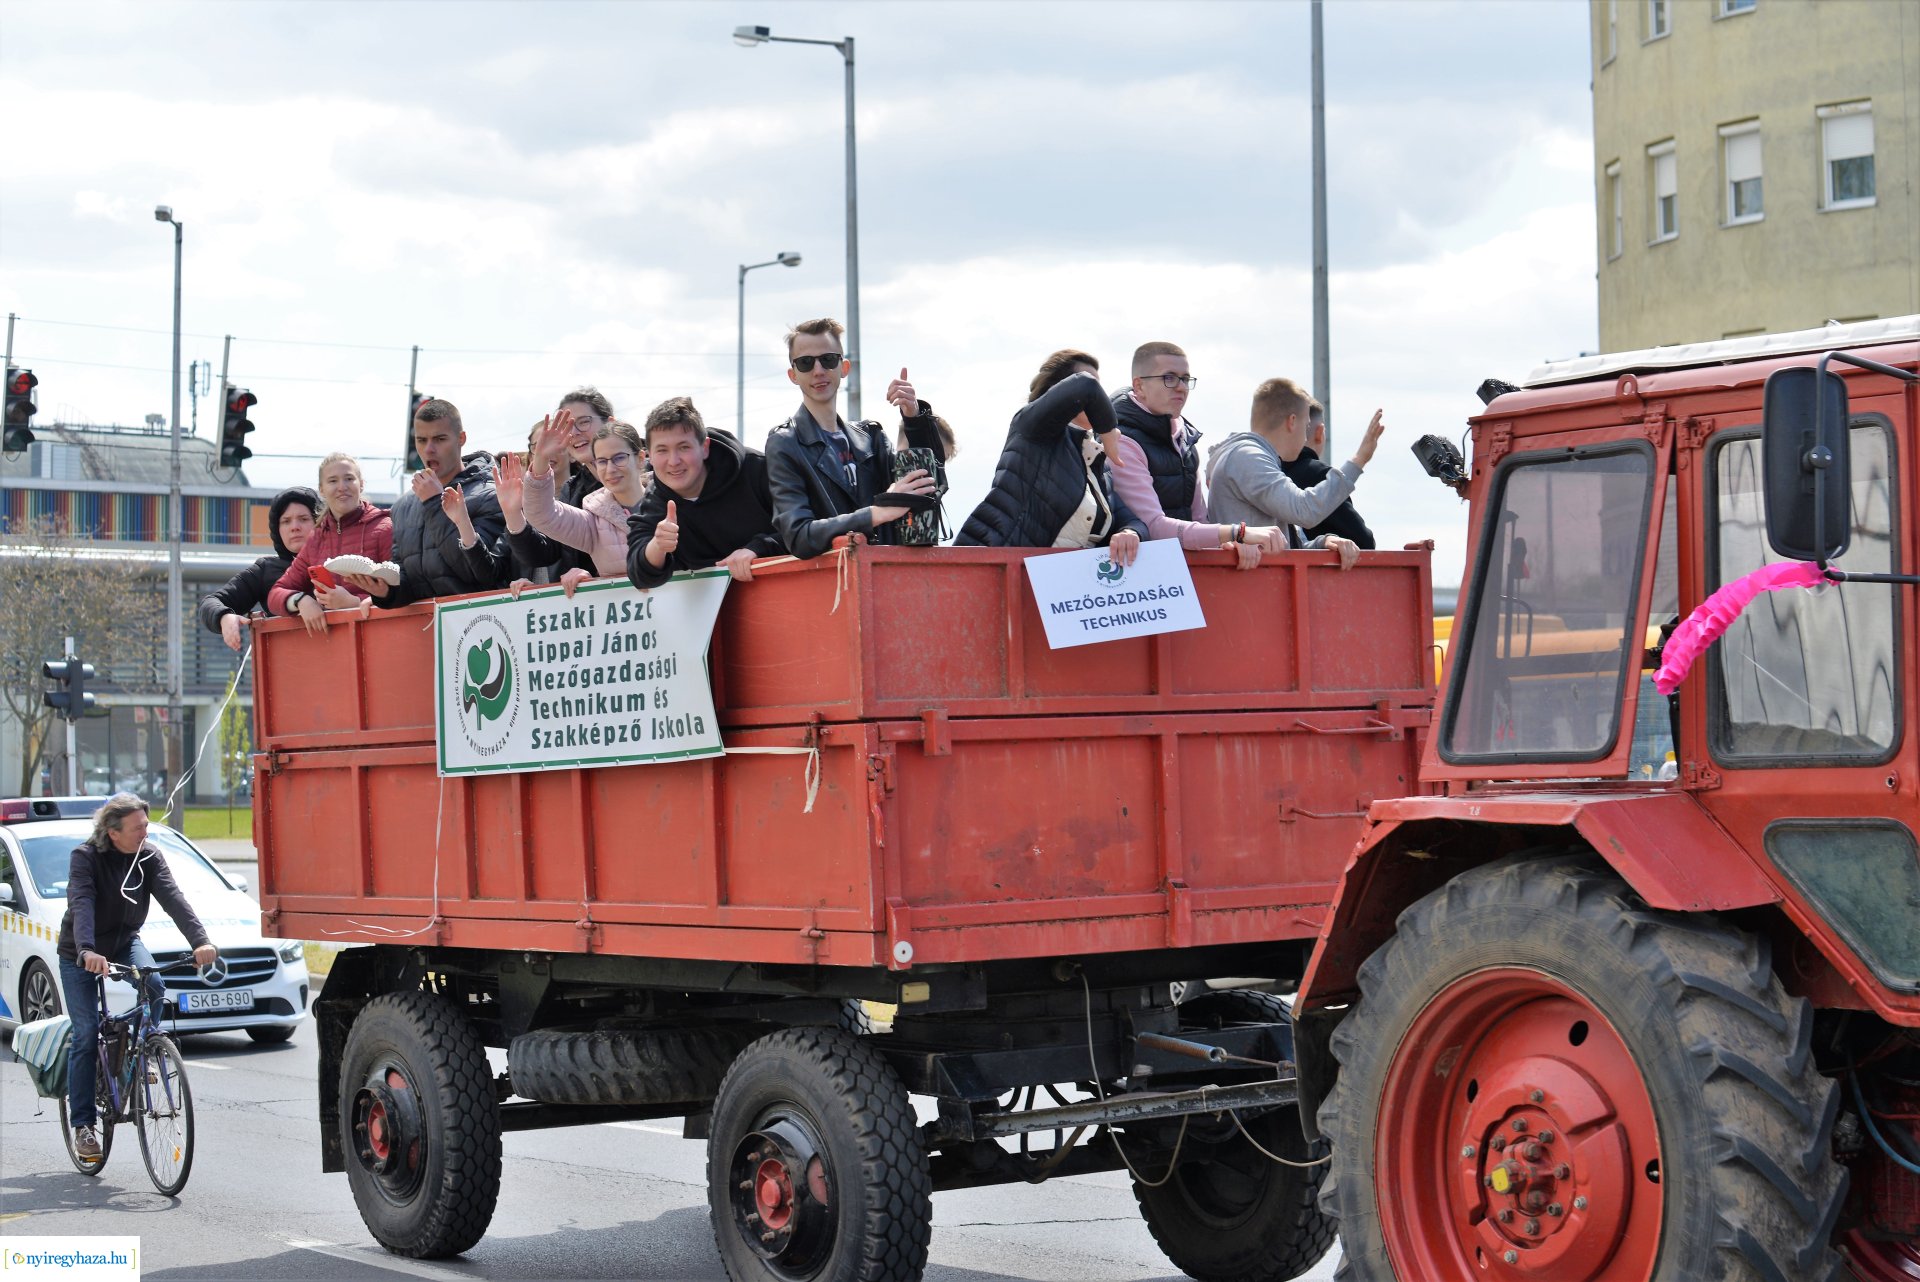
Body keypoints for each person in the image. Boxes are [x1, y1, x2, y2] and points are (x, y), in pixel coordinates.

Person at [57, 794, 218, 1162]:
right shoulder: (85, 858)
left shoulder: (148, 856)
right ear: (113, 833)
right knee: (86, 1033)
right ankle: (83, 1126)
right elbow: (81, 902)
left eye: (146, 825)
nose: (146, 832)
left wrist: (200, 941)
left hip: (124, 943)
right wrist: (86, 950)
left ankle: (143, 1050)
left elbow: (173, 898)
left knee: (155, 985)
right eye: (138, 827)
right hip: (80, 952)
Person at [764, 317, 944, 559]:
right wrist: (877, 513)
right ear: (793, 374)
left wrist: (913, 418)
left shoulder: (871, 438)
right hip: (834, 580)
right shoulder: (785, 443)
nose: (818, 371)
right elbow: (799, 536)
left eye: (828, 359)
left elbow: (930, 486)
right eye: (806, 363)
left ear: (844, 367)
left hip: (887, 574)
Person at [953, 350, 1145, 564]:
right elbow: (1086, 385)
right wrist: (1108, 430)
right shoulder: (1032, 430)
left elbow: (1131, 519)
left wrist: (1130, 533)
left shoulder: (1096, 460)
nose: (1099, 398)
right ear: (1057, 391)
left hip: (1060, 580)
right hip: (997, 571)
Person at [1109, 341, 1284, 570]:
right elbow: (1153, 527)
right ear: (1139, 386)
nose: (1181, 387)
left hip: (1177, 575)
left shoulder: (1185, 439)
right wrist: (1237, 532)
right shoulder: (1122, 442)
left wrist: (1228, 543)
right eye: (1169, 378)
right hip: (1135, 576)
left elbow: (1199, 520)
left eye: (1185, 379)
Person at [1206, 377, 1386, 571]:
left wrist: (1323, 543)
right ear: (1292, 422)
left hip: (1255, 583)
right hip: (1251, 585)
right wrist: (1358, 460)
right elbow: (1303, 510)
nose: (1306, 437)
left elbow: (1283, 546)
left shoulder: (1248, 456)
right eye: (1306, 426)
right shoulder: (1248, 457)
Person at [355, 399, 508, 608]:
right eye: (421, 440)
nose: (429, 449)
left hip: (481, 622)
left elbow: (481, 575)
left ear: (461, 439)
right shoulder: (403, 506)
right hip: (424, 626)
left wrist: (434, 503)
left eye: (439, 439)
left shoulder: (490, 495)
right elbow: (411, 582)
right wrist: (385, 592)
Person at [626, 397, 786, 590]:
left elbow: (808, 528)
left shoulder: (758, 470)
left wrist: (759, 548)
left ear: (704, 448)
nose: (674, 461)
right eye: (662, 450)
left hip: (787, 595)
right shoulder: (654, 502)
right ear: (649, 455)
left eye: (684, 447)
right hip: (716, 609)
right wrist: (657, 546)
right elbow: (639, 575)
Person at [508, 414, 649, 592]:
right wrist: (541, 458)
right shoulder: (594, 522)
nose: (610, 469)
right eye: (602, 461)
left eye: (619, 458)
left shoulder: (669, 504)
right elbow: (542, 513)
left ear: (640, 458)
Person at [266, 454, 394, 634]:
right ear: (321, 490)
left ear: (361, 484)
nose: (342, 487)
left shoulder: (385, 528)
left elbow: (403, 589)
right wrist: (301, 600)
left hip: (381, 638)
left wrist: (353, 602)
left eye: (349, 478)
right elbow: (275, 594)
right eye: (333, 481)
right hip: (331, 644)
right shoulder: (316, 539)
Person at [505, 387, 613, 581]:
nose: (575, 432)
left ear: (610, 423)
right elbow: (546, 553)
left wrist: (599, 576)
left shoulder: (642, 480)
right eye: (567, 427)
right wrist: (513, 513)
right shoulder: (572, 490)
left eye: (584, 422)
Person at [198, 486, 319, 651]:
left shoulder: (339, 561)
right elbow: (210, 603)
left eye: (303, 519)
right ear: (277, 530)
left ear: (319, 522)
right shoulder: (265, 570)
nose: (294, 527)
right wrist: (224, 617)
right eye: (286, 521)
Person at [1282, 401, 1377, 549]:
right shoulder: (1319, 475)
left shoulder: (1268, 474)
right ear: (1319, 432)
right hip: (1319, 564)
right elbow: (1363, 542)